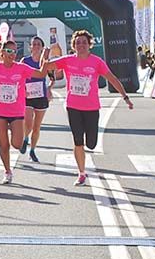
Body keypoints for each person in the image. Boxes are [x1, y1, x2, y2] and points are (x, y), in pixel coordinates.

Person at [43, 29, 133, 186]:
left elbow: (112, 78)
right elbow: (46, 67)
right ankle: (81, 172)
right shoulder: (67, 60)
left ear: (89, 44)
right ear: (74, 45)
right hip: (73, 107)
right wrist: (45, 57)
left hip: (91, 107)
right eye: (78, 42)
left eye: (84, 42)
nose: (81, 45)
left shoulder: (96, 62)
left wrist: (125, 97)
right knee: (78, 141)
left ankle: (85, 160)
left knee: (91, 143)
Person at [0, 39, 48, 184]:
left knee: (17, 144)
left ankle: (16, 135)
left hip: (16, 112)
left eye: (14, 51)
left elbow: (41, 74)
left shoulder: (21, 68)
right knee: (4, 144)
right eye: (8, 51)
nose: (12, 54)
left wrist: (45, 57)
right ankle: (7, 171)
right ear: (2, 52)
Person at [20, 37, 50, 163]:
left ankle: (32, 150)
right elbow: (19, 76)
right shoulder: (25, 61)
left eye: (39, 44)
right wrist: (22, 89)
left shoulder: (45, 61)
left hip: (41, 95)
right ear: (30, 47)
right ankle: (25, 138)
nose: (36, 46)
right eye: (34, 44)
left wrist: (49, 89)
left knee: (37, 127)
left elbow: (53, 77)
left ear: (42, 47)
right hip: (27, 95)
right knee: (28, 123)